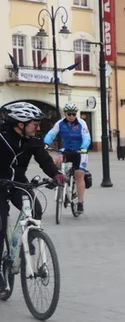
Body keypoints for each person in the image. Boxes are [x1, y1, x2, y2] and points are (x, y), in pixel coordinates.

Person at [0, 103, 64, 289]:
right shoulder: (2, 137)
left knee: (35, 209)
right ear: (20, 124)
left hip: (19, 182)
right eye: (34, 124)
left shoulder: (32, 140)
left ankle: (27, 239)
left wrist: (56, 174)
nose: (38, 128)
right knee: (1, 225)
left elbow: (43, 158)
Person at [42, 103, 90, 214]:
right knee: (57, 160)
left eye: (74, 114)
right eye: (69, 114)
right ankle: (58, 179)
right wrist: (45, 143)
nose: (72, 116)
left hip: (80, 151)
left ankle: (80, 203)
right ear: (65, 113)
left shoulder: (82, 123)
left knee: (79, 175)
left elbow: (86, 137)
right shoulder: (60, 123)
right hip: (67, 149)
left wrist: (84, 147)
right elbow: (51, 134)